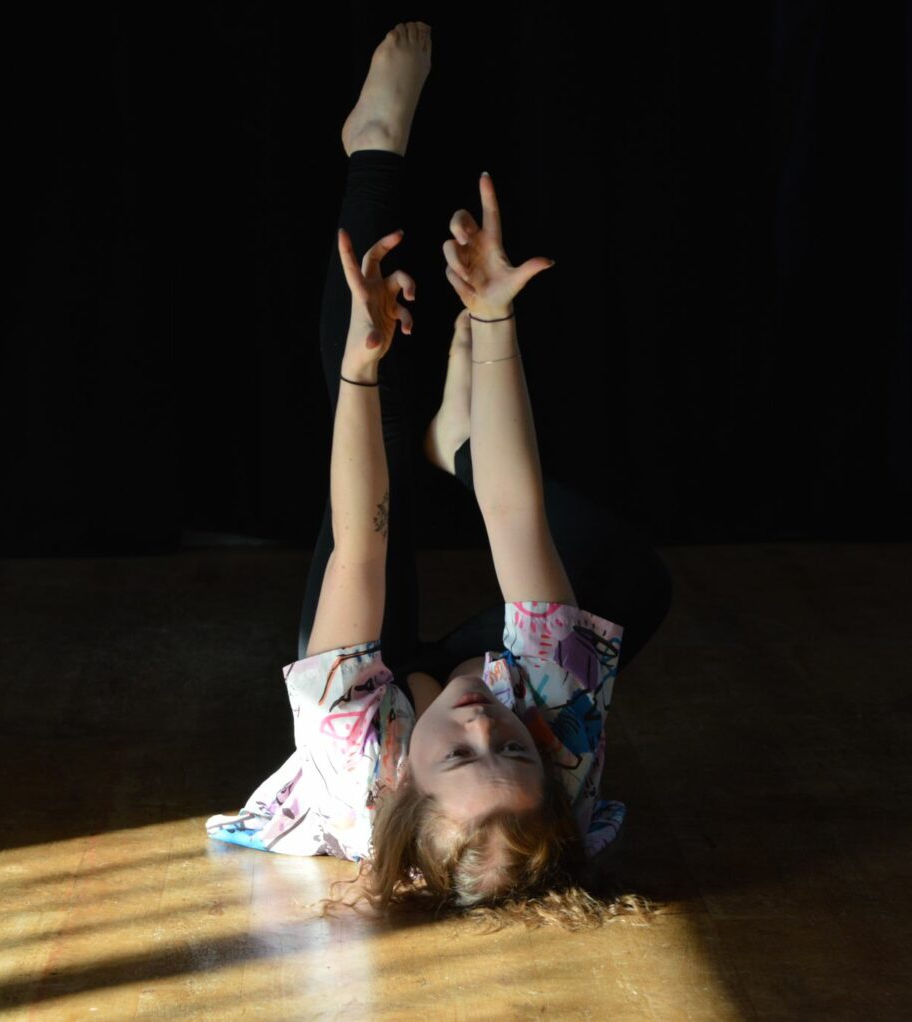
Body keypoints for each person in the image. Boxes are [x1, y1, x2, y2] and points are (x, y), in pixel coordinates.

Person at [204, 22, 671, 929]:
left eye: (460, 754)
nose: (486, 724)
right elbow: (515, 513)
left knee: (375, 440)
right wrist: (493, 321)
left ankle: (371, 146)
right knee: (631, 582)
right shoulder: (560, 730)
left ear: (404, 786)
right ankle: (455, 441)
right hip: (487, 686)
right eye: (513, 751)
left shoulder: (351, 752)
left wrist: (362, 364)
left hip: (372, 682)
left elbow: (360, 547)